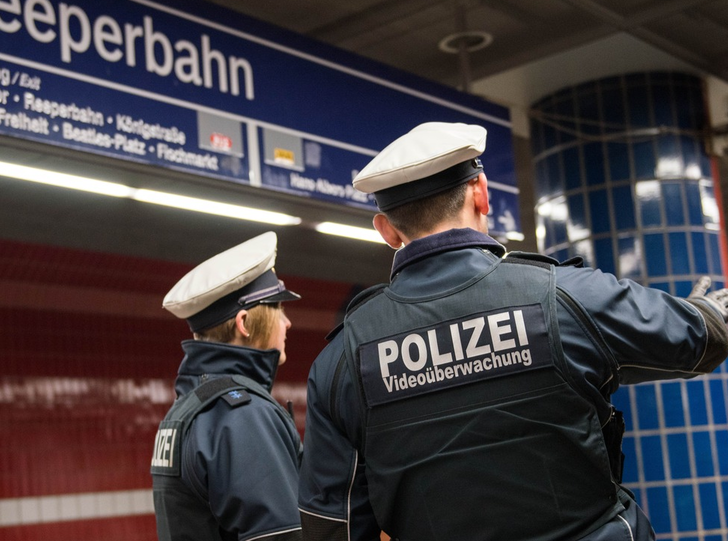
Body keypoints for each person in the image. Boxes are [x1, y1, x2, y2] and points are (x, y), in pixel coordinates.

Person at [297, 122, 728, 541]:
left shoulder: (342, 361)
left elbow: (333, 525)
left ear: (387, 230)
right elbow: (701, 340)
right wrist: (708, 312)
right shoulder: (566, 299)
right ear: (482, 193)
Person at [151, 231, 304, 541]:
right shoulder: (243, 416)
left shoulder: (186, 411)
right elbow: (280, 535)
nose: (287, 323)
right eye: (278, 309)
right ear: (245, 323)